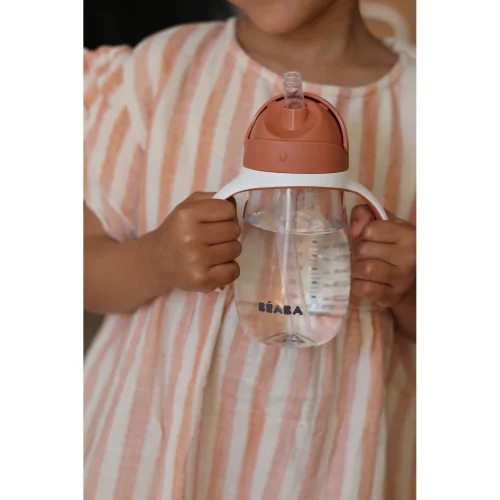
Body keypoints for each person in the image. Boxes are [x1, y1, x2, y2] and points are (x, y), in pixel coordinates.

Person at [84, 0, 416, 498]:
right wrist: (155, 259)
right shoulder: (162, 69)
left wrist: (410, 289)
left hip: (330, 463)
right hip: (154, 452)